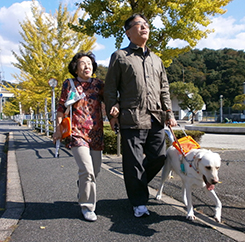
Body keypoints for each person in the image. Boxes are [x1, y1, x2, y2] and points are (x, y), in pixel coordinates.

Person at [104, 13, 177, 218]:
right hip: (131, 118)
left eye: (146, 24)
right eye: (139, 25)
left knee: (159, 157)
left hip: (156, 118)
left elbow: (164, 88)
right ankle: (138, 202)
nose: (144, 27)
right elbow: (110, 88)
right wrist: (112, 112)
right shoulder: (120, 56)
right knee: (133, 163)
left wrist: (169, 112)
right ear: (128, 32)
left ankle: (136, 184)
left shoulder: (157, 59)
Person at [53, 51, 104, 222]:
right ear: (76, 68)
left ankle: (83, 187)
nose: (87, 65)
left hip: (96, 133)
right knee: (87, 170)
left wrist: (115, 110)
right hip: (77, 133)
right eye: (83, 63)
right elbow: (61, 108)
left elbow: (109, 102)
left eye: (89, 63)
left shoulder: (99, 84)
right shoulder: (69, 84)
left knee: (94, 171)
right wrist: (58, 129)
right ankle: (87, 206)